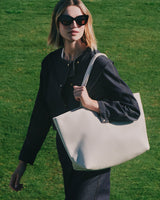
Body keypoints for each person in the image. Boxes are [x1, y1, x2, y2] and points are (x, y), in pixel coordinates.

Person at [9, 0, 140, 199]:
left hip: (94, 153)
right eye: (67, 20)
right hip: (67, 151)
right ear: (57, 24)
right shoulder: (51, 64)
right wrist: (23, 163)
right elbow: (40, 116)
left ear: (87, 23)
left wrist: (92, 104)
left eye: (80, 20)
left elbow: (132, 109)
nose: (74, 26)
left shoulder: (99, 63)